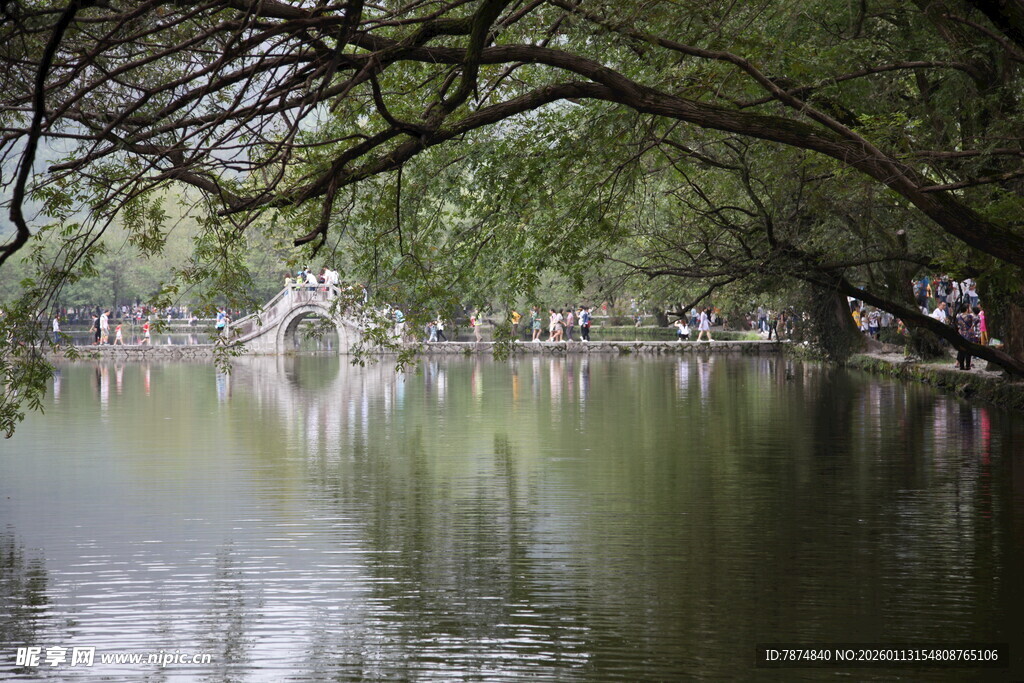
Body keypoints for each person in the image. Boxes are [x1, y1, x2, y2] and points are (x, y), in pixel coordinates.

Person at [955, 304, 979, 370]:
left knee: (961, 350)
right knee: (968, 350)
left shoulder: (958, 317)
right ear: (966, 309)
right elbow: (977, 319)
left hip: (961, 334)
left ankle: (961, 366)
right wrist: (972, 326)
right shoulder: (969, 316)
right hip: (969, 335)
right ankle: (968, 365)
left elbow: (956, 324)